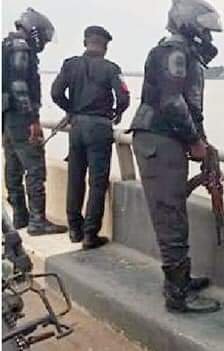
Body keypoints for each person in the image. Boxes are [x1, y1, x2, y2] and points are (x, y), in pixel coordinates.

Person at [129, 0, 223, 314]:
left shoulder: (182, 52)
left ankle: (180, 279)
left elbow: (190, 106)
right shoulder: (173, 52)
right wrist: (195, 141)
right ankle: (177, 294)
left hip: (166, 139)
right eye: (205, 28)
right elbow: (172, 102)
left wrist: (202, 141)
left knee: (174, 214)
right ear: (188, 23)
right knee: (170, 215)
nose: (209, 36)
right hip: (159, 140)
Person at [50, 26, 130, 249]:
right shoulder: (111, 69)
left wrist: (72, 110)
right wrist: (117, 112)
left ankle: (74, 228)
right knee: (97, 182)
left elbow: (56, 93)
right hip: (100, 128)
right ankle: (90, 234)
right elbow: (123, 96)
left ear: (86, 43)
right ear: (105, 47)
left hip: (76, 128)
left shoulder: (70, 65)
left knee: (75, 177)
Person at [2, 8, 67, 235]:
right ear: (35, 31)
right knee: (35, 168)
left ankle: (20, 215)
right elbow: (20, 87)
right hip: (20, 118)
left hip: (7, 118)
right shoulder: (21, 48)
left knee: (13, 166)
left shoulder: (6, 46)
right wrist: (32, 119)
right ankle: (37, 221)